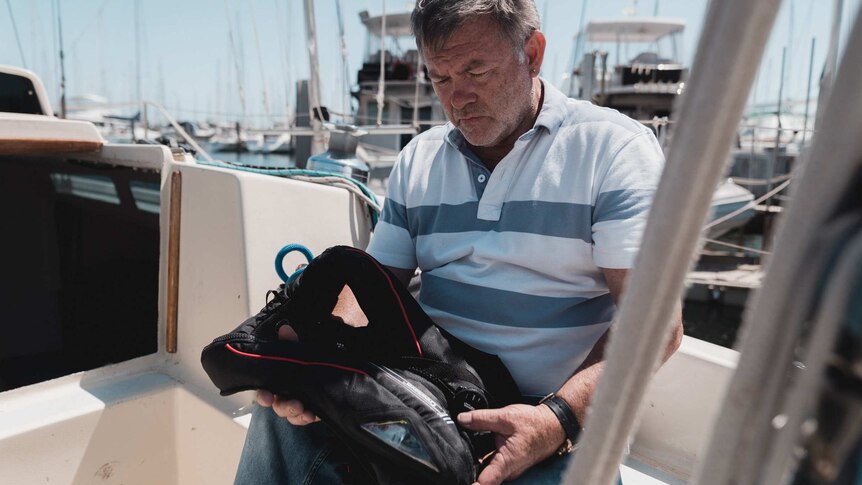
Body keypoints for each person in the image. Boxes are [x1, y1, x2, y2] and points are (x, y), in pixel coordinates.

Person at [234, 1, 683, 483]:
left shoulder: (612, 150)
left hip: (556, 414)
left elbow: (657, 325)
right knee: (281, 421)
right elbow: (373, 295)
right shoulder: (419, 159)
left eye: (476, 70)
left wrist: (556, 421)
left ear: (531, 54)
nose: (458, 98)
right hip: (431, 395)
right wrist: (314, 359)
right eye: (441, 78)